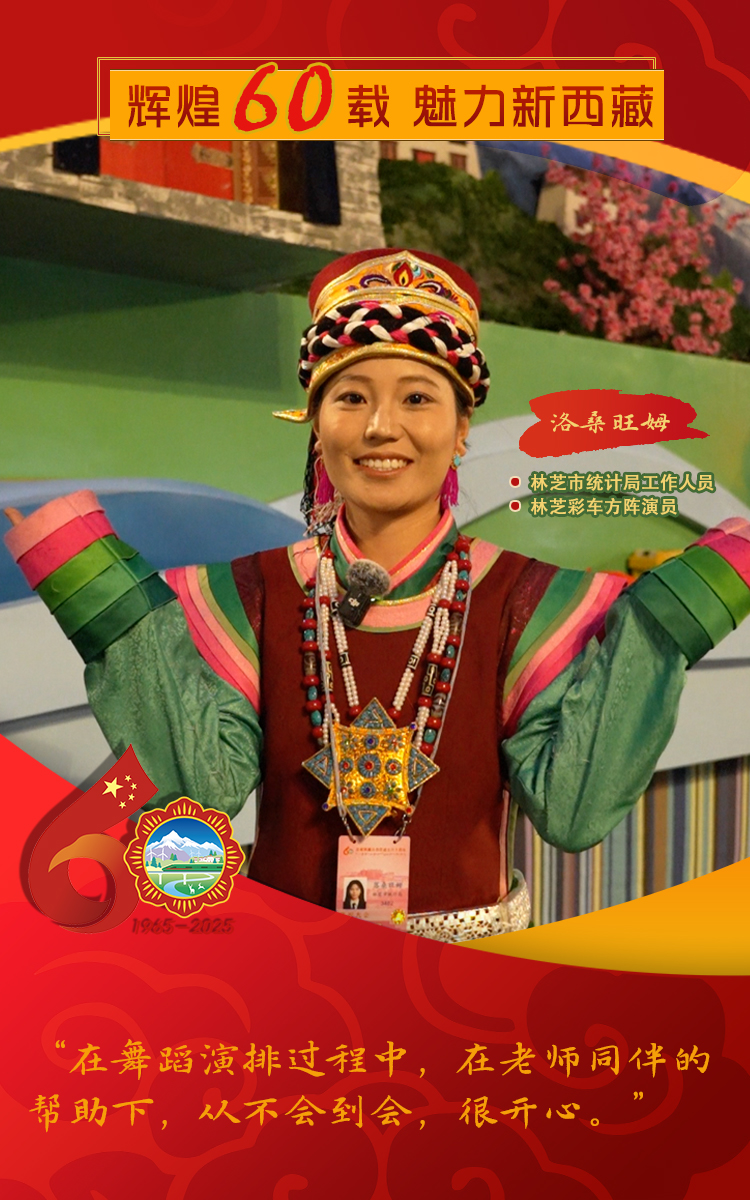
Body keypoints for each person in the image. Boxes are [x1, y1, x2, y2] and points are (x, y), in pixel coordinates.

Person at [5, 248, 750, 944]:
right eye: (350, 397)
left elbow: (574, 808)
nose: (381, 428)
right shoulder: (250, 593)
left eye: (417, 398)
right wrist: (101, 593)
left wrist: (666, 621)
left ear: (462, 428)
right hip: (292, 972)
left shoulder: (527, 599)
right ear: (315, 424)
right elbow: (197, 791)